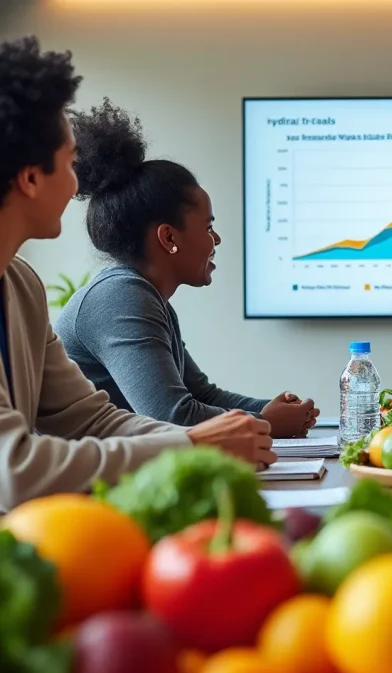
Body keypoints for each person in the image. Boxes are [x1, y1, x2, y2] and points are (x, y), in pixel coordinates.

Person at [0, 36, 275, 512]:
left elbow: (93, 420)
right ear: (29, 178)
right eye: (69, 164)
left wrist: (203, 443)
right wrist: (192, 445)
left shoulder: (21, 286)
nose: (75, 186)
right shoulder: (117, 294)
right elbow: (13, 469)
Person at [54, 99, 318, 438]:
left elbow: (201, 395)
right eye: (208, 227)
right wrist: (267, 424)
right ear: (168, 237)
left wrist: (268, 410)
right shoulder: (120, 296)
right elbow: (172, 416)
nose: (216, 239)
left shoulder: (146, 297)